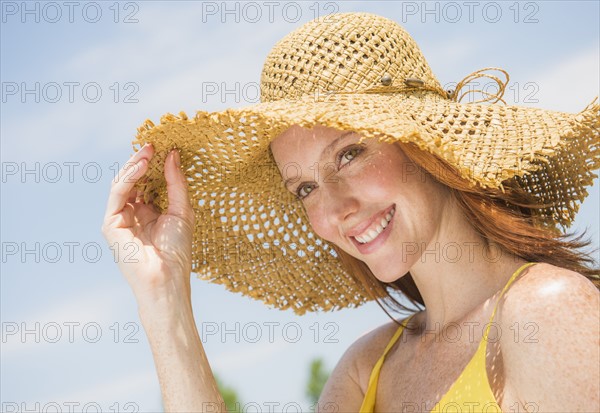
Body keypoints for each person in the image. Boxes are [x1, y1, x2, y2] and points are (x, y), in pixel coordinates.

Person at [102, 12, 600, 413]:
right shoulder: (368, 368)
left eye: (349, 154)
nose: (336, 207)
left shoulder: (544, 312)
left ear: (428, 144)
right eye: (304, 188)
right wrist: (165, 302)